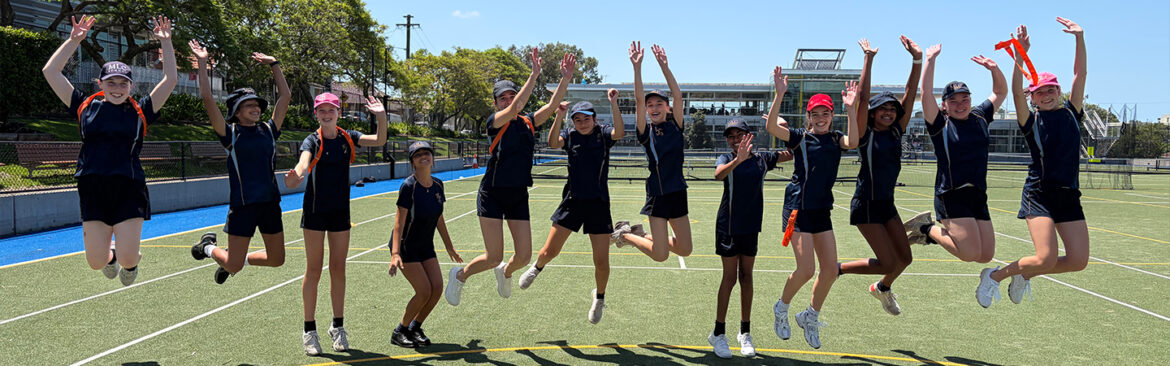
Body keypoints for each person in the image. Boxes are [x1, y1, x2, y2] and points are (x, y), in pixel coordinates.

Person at [42, 16, 178, 286]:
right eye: (111, 83)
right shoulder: (84, 106)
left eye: (123, 83)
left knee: (129, 259)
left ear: (130, 86)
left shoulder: (141, 110)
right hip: (93, 187)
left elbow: (171, 79)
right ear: (101, 83)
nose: (117, 88)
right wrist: (73, 41)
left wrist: (166, 43)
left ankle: (128, 262)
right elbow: (51, 72)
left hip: (128, 187)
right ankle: (112, 257)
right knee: (96, 262)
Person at [444, 50, 577, 305]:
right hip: (492, 193)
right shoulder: (494, 122)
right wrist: (534, 74)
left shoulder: (527, 122)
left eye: (510, 96)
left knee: (524, 256)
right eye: (502, 98)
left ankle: (504, 273)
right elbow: (517, 106)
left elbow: (551, 107)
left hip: (517, 194)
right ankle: (460, 276)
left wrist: (566, 79)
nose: (508, 101)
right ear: (496, 104)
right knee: (494, 255)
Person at [976, 18, 1090, 308]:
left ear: (1059, 92)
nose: (1047, 94)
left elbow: (1080, 73)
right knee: (1044, 257)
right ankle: (995, 275)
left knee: (1078, 261)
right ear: (1033, 98)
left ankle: (1025, 276)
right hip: (1039, 194)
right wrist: (1019, 56)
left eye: (1051, 89)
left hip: (1068, 195)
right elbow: (1015, 93)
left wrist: (1079, 37)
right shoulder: (1031, 121)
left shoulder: (1071, 113)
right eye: (1040, 92)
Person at [283, 92, 388, 355]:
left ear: (338, 112)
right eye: (322, 110)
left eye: (331, 110)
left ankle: (337, 327)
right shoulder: (312, 140)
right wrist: (297, 173)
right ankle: (309, 330)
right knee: (314, 270)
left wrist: (382, 116)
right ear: (316, 114)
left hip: (340, 213)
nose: (327, 114)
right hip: (315, 213)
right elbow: (304, 161)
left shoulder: (347, 137)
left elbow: (380, 139)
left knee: (338, 270)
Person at [765, 66, 861, 349]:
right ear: (809, 117)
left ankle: (810, 315)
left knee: (830, 270)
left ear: (832, 115)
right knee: (806, 270)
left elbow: (853, 141)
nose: (820, 118)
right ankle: (781, 308)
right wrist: (779, 94)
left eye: (826, 113)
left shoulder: (835, 139)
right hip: (798, 208)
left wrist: (852, 109)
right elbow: (772, 127)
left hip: (821, 210)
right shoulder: (800, 138)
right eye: (815, 114)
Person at [838, 37, 931, 315]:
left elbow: (910, 92)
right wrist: (868, 58)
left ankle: (882, 288)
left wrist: (917, 59)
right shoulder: (865, 134)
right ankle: (837, 269)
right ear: (874, 114)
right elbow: (863, 98)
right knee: (889, 262)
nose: (889, 112)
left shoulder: (895, 131)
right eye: (883, 109)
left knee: (905, 259)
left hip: (887, 205)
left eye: (892, 109)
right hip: (866, 204)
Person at [517, 91, 625, 324]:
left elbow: (621, 131)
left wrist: (614, 103)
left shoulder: (603, 133)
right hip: (572, 202)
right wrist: (559, 115)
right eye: (578, 119)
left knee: (601, 261)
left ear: (594, 119)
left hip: (598, 204)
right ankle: (536, 268)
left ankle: (599, 298)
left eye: (586, 119)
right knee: (549, 251)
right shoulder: (570, 135)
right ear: (573, 122)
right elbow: (553, 142)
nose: (582, 123)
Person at [188, 40, 291, 284]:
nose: (255, 108)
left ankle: (236, 259)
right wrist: (202, 63)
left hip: (270, 204)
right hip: (243, 207)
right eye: (248, 105)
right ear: (236, 111)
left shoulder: (269, 129)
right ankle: (208, 247)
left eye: (256, 104)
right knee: (232, 265)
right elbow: (207, 97)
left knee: (277, 259)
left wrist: (274, 64)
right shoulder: (230, 133)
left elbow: (285, 96)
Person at [907, 42, 1008, 278]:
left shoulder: (981, 117)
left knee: (985, 255)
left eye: (964, 99)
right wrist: (930, 60)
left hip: (978, 194)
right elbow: (925, 97)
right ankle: (926, 227)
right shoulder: (941, 125)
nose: (960, 105)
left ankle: (927, 230)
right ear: (945, 105)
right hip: (952, 194)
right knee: (968, 253)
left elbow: (1001, 92)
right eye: (953, 101)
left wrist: (994, 68)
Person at [707, 119, 792, 358]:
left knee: (746, 277)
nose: (735, 139)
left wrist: (782, 129)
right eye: (731, 136)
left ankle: (744, 333)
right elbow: (718, 175)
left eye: (739, 135)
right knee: (729, 279)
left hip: (751, 227)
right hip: (729, 226)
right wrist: (738, 159)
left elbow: (794, 151)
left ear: (749, 136)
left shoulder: (763, 158)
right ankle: (718, 333)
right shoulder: (726, 159)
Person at [612, 42, 693, 262]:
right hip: (658, 193)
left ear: (667, 108)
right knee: (661, 255)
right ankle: (626, 235)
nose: (654, 108)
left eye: (659, 103)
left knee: (685, 249)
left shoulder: (676, 125)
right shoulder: (645, 132)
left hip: (678, 191)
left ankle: (640, 233)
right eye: (651, 105)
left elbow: (678, 95)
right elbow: (638, 100)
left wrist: (663, 65)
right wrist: (637, 67)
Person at [388, 141, 463, 348]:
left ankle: (415, 327)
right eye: (418, 154)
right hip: (407, 247)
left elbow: (438, 217)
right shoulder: (409, 187)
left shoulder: (438, 185)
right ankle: (399, 331)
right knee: (423, 291)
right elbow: (399, 222)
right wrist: (395, 253)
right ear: (413, 161)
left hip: (426, 245)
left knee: (437, 288)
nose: (424, 157)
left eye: (427, 153)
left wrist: (449, 246)